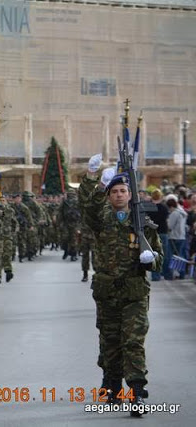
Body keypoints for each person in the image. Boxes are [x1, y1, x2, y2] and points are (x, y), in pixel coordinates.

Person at [80, 154, 163, 417]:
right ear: (108, 195)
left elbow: (158, 260)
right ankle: (112, 384)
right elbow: (86, 205)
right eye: (114, 191)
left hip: (134, 292)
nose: (118, 195)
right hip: (107, 292)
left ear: (130, 194)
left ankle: (136, 391)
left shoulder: (143, 224)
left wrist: (152, 258)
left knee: (133, 341)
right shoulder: (100, 219)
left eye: (123, 191)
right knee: (110, 341)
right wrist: (91, 176)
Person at [166, 197, 187, 280]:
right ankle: (182, 274)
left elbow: (170, 226)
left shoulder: (174, 213)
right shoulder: (182, 213)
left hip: (174, 236)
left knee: (171, 256)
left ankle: (170, 275)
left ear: (170, 206)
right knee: (181, 256)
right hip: (182, 236)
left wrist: (167, 221)